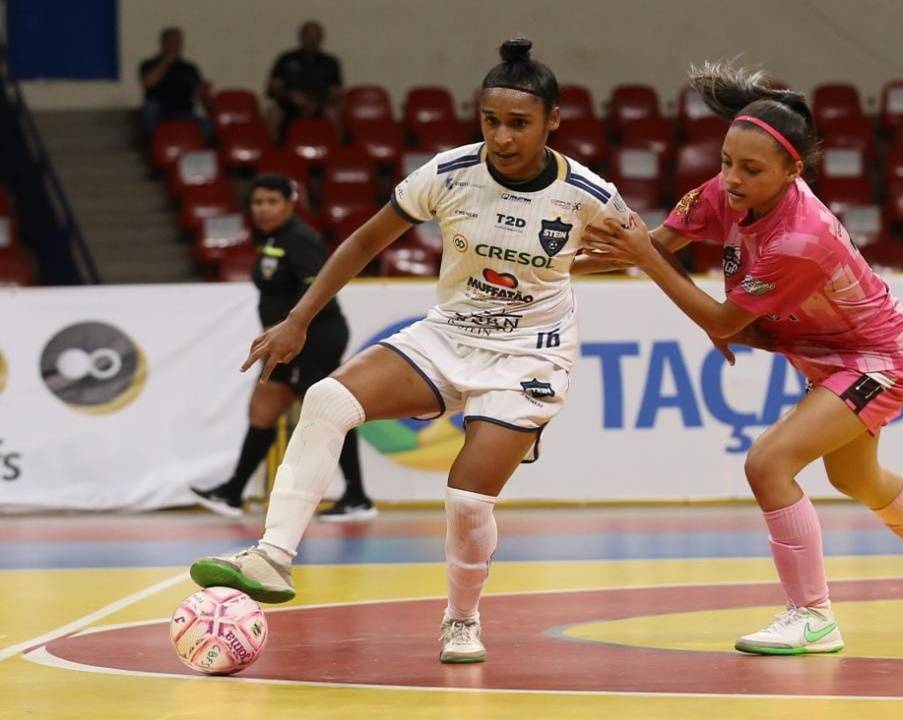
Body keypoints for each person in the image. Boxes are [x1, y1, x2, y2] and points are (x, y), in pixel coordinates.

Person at [190, 38, 633, 664]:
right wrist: (299, 319)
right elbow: (365, 241)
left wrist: (715, 315)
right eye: (490, 121)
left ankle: (461, 618)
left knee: (468, 498)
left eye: (518, 124)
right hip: (448, 334)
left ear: (553, 122)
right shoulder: (449, 174)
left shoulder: (586, 192)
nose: (502, 137)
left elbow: (649, 250)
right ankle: (271, 557)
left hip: (531, 354)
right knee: (326, 399)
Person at [580, 61, 903, 655]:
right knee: (854, 475)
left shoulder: (801, 237)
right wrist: (544, 268)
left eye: (751, 169)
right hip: (826, 353)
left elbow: (714, 312)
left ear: (792, 170)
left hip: (880, 357)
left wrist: (650, 263)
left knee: (768, 464)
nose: (731, 179)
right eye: (726, 161)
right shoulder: (725, 191)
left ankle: (813, 616)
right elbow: (651, 246)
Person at [190, 174, 375, 522]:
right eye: (257, 202)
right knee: (262, 408)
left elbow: (316, 287)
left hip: (314, 337)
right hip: (286, 341)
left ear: (291, 203)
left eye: (272, 202)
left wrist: (294, 326)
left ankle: (358, 497)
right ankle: (232, 492)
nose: (263, 209)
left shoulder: (301, 239)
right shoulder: (274, 239)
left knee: (329, 414)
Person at [265, 20, 343, 138]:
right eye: (308, 36)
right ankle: (273, 152)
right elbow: (272, 89)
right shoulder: (286, 59)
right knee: (273, 113)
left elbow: (337, 91)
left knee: (335, 114)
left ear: (321, 39)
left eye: (316, 37)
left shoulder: (331, 62)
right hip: (290, 105)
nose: (312, 40)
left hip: (320, 105)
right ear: (301, 37)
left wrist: (316, 102)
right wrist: (291, 96)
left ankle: (340, 151)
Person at [138, 27, 209, 138]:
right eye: (171, 41)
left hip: (184, 112)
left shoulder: (189, 68)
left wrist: (203, 92)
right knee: (150, 108)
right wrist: (166, 61)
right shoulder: (148, 64)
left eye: (178, 42)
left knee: (207, 124)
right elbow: (149, 83)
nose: (175, 45)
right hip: (160, 112)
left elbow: (202, 97)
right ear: (163, 43)